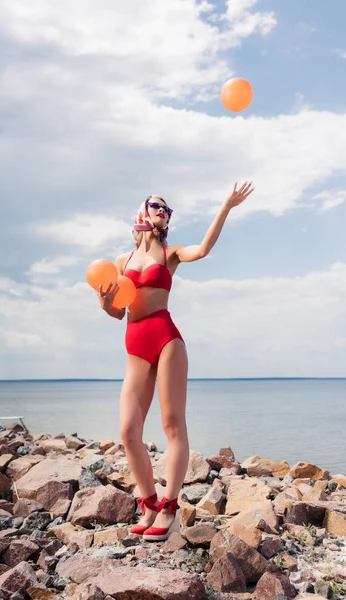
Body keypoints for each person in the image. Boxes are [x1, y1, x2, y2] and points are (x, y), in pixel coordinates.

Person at [98, 182, 254, 541]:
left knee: (172, 425)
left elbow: (203, 249)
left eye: (168, 210)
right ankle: (149, 503)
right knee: (128, 431)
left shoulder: (171, 253)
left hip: (167, 340)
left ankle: (170, 506)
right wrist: (103, 301)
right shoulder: (122, 261)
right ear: (142, 211)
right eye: (157, 205)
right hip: (135, 345)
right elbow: (116, 313)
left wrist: (226, 206)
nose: (163, 212)